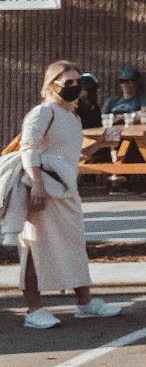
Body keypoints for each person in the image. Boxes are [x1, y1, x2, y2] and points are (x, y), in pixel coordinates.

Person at [6, 62, 119, 328]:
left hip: (65, 189)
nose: (75, 87)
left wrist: (102, 143)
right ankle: (34, 310)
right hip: (43, 188)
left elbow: (71, 155)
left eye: (78, 82)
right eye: (68, 82)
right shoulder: (43, 112)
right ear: (51, 84)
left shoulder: (72, 116)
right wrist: (37, 184)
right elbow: (28, 148)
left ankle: (85, 303)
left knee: (74, 244)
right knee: (34, 248)